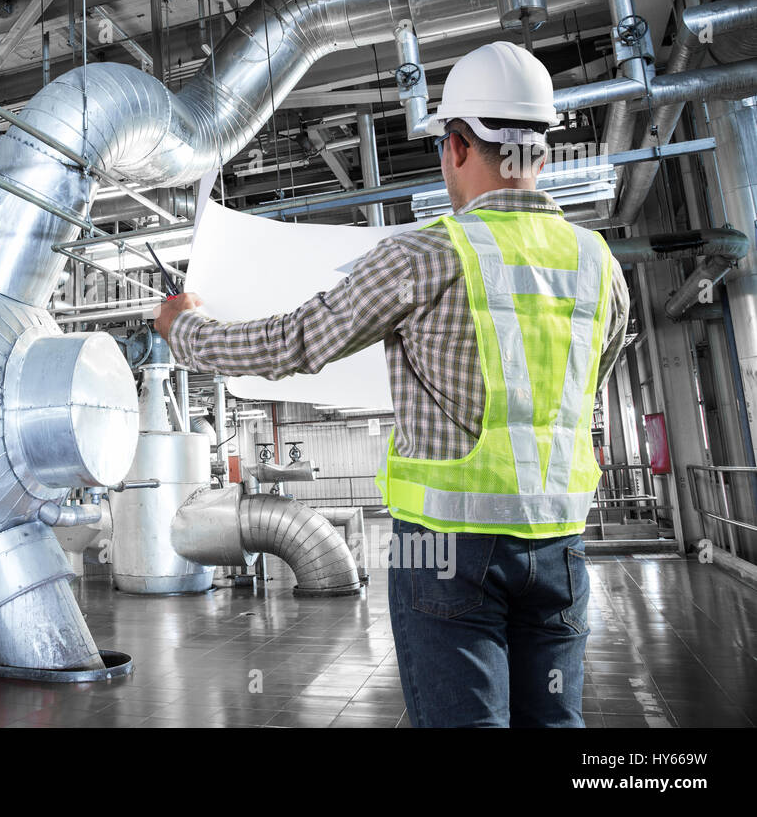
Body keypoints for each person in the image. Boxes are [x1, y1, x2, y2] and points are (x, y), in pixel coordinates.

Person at [154, 41, 630, 728]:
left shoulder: (427, 255)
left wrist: (186, 331)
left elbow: (295, 341)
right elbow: (587, 387)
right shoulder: (599, 265)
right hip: (559, 546)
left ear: (459, 146)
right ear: (541, 151)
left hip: (441, 546)